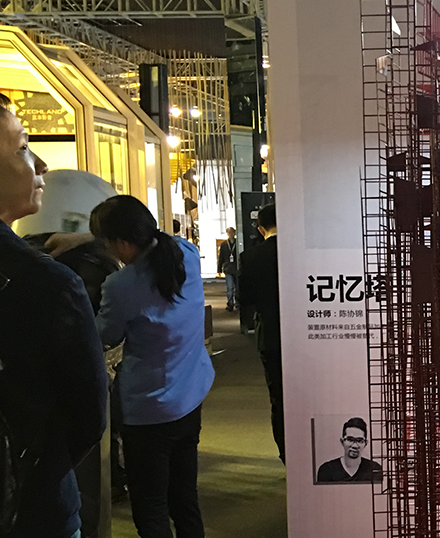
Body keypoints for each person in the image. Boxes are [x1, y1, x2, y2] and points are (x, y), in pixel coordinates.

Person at [0, 94, 107, 538]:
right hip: (33, 510)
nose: (41, 164)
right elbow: (88, 416)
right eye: (23, 147)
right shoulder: (48, 285)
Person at [89, 195, 215, 538]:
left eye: (106, 242)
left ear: (122, 243)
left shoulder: (122, 285)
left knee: (150, 508)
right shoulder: (185, 253)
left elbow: (105, 334)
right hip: (190, 396)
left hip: (149, 410)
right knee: (184, 498)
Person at [239, 204, 284, 464]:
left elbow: (245, 299)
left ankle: (285, 453)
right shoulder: (298, 252)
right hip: (304, 335)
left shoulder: (250, 257)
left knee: (278, 397)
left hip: (270, 335)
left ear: (260, 228)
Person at [316, 418, 381, 483]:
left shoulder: (374, 469)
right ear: (342, 441)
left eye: (360, 441)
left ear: (365, 443)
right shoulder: (327, 470)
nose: (355, 445)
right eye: (350, 440)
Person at [217, 227, 239, 311]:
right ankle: (230, 303)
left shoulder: (238, 243)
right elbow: (221, 257)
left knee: (237, 288)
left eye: (232, 232)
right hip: (228, 268)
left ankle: (237, 303)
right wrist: (219, 269)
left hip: (236, 268)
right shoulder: (224, 244)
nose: (231, 234)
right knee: (230, 287)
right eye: (229, 233)